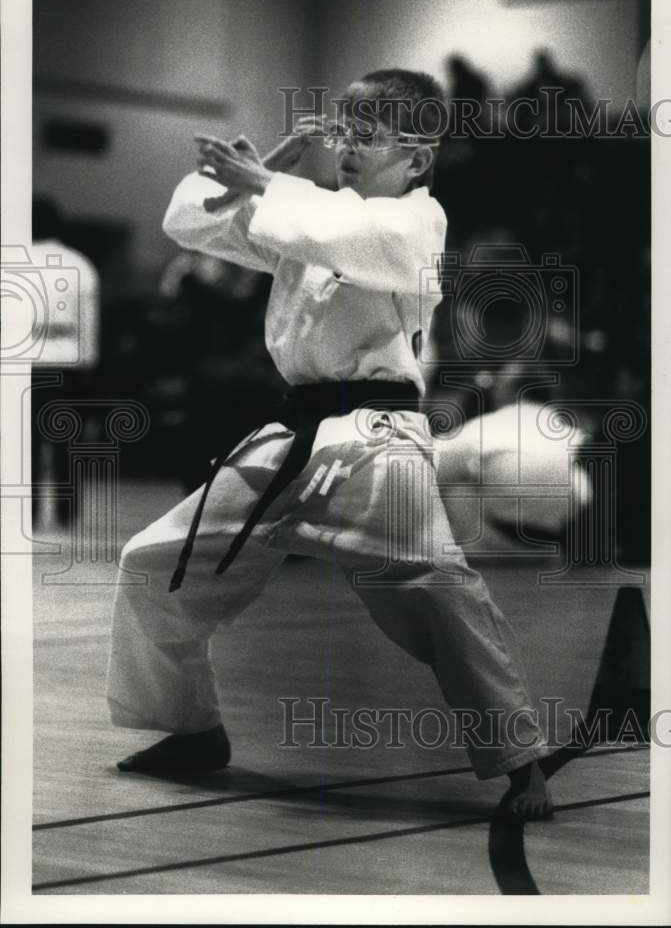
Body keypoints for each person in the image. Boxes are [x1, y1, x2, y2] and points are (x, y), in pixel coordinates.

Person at [107, 69, 559, 820]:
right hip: (293, 428)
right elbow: (190, 225)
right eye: (343, 132)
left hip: (375, 434)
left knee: (434, 584)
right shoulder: (308, 214)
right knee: (154, 564)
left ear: (416, 159)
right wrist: (272, 167)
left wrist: (270, 186)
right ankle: (190, 730)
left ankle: (522, 763)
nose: (347, 148)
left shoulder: (417, 221)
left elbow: (339, 233)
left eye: (369, 135)